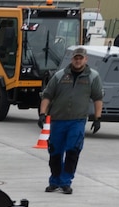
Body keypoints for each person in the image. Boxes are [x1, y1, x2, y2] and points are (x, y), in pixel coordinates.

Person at [39, 46, 104, 195]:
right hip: (58, 120)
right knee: (55, 151)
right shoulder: (60, 75)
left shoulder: (93, 77)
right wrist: (42, 114)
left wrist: (98, 118)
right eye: (76, 58)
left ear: (85, 60)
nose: (78, 61)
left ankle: (66, 182)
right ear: (72, 59)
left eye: (81, 58)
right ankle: (54, 181)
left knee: (73, 150)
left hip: (77, 121)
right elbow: (47, 95)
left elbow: (98, 98)